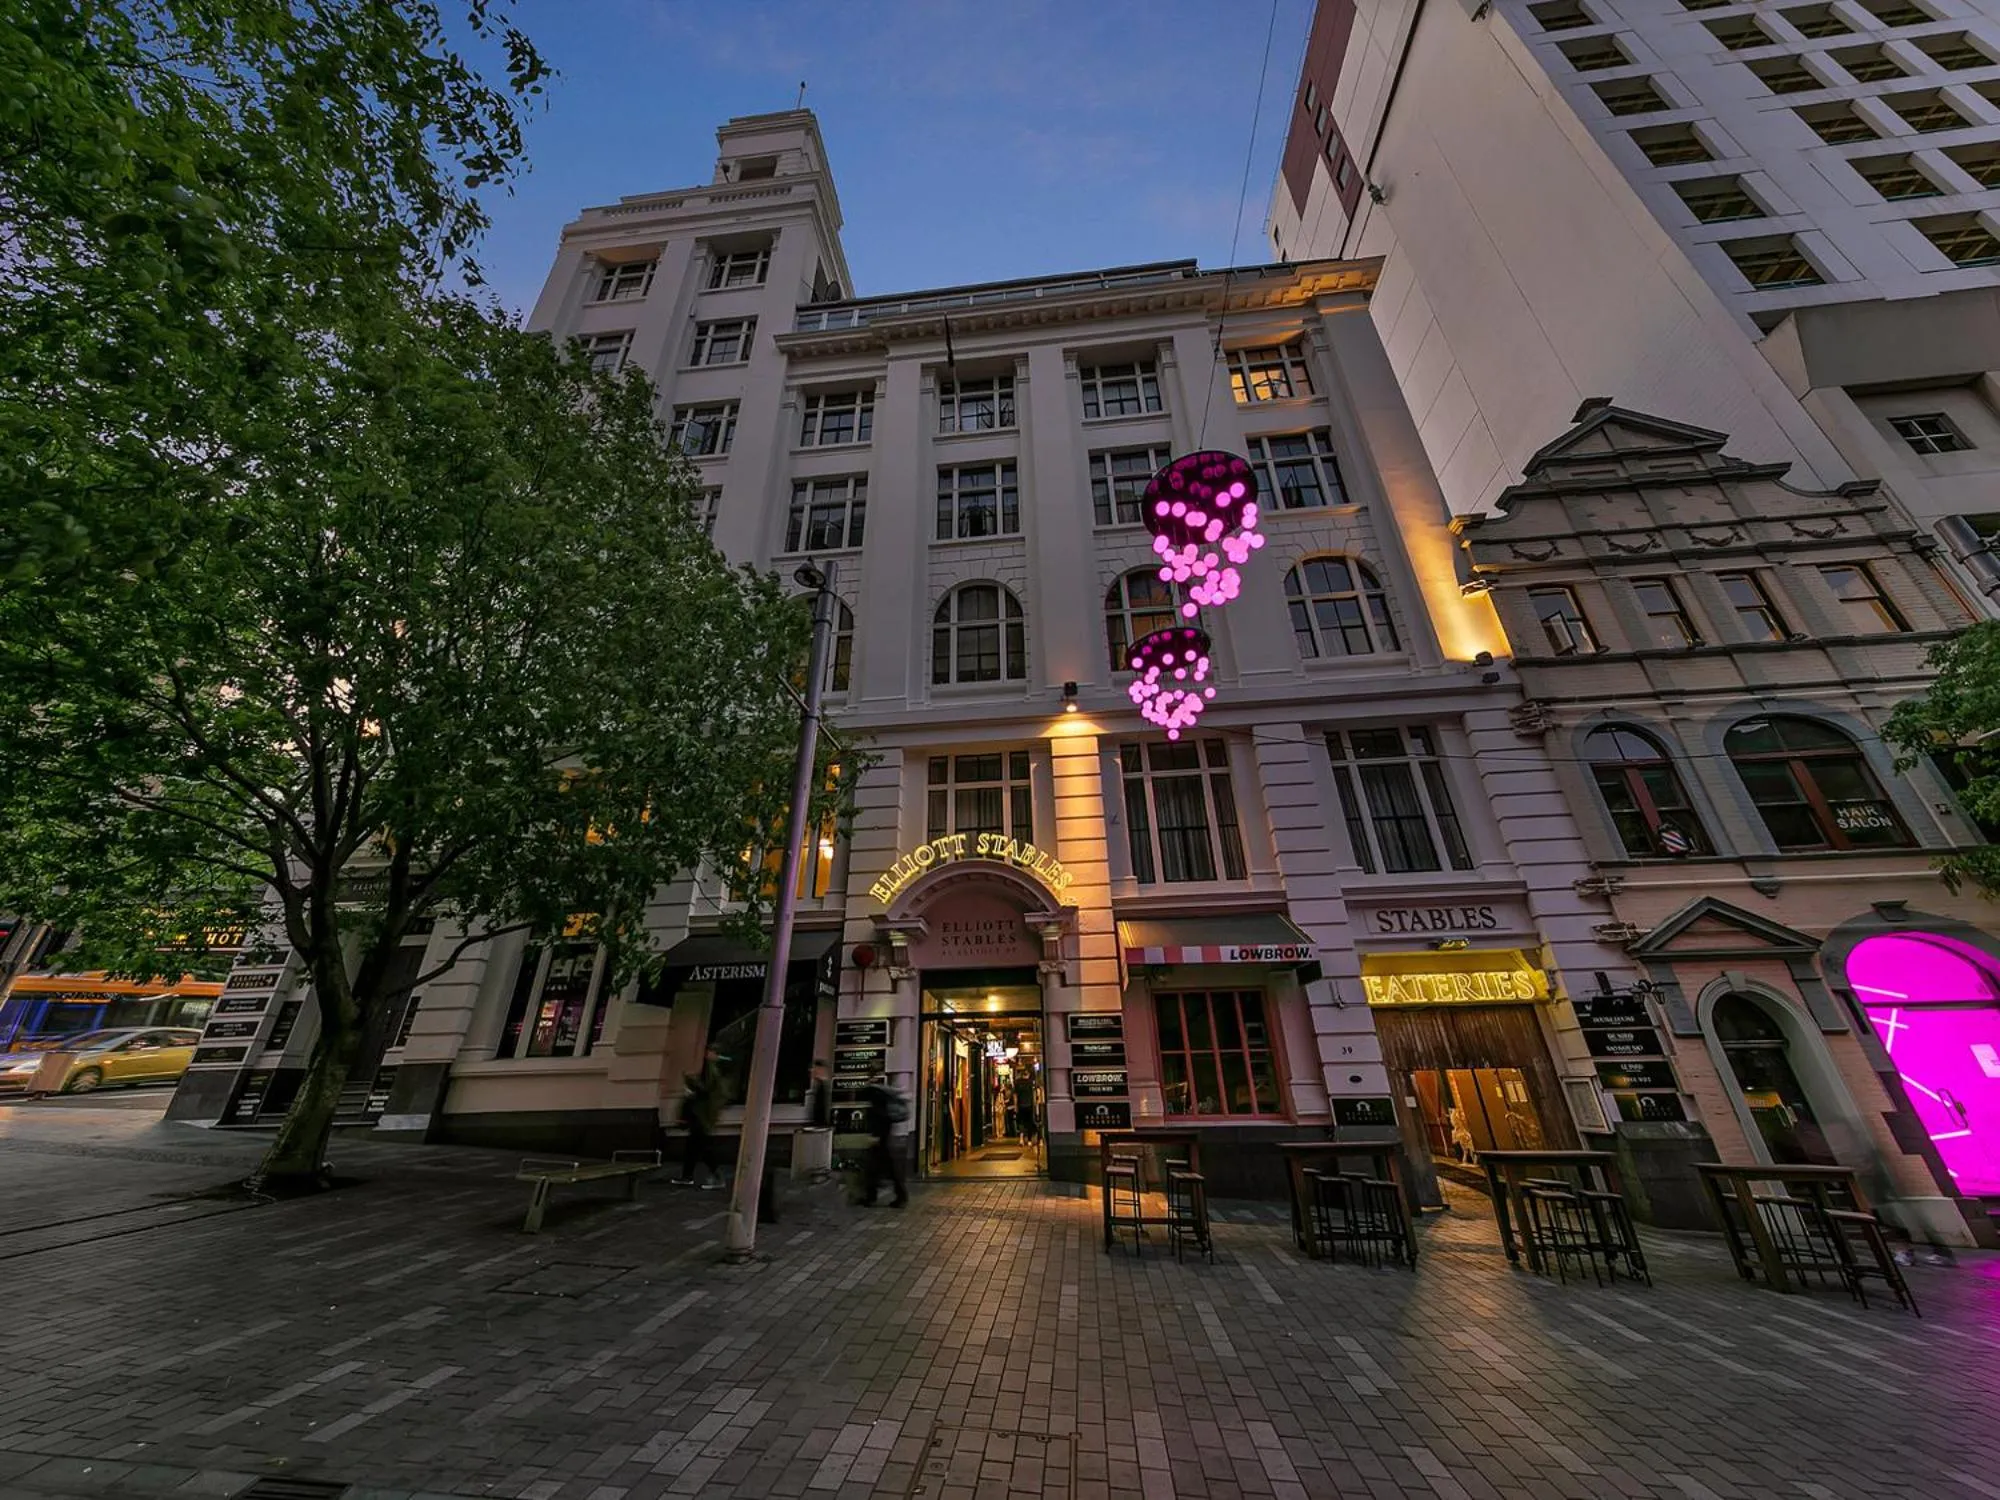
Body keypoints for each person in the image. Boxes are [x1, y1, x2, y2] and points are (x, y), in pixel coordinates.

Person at [677, 1046, 726, 1189]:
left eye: (710, 1052)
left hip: (703, 1117)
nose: (706, 1054)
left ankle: (717, 1177)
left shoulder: (713, 1072)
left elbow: (705, 1090)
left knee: (702, 1148)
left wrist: (689, 1080)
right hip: (700, 1116)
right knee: (692, 1148)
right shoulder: (710, 1071)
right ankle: (687, 1177)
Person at [860, 1075, 908, 1208]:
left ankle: (896, 1196)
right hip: (883, 1140)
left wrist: (876, 1136)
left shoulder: (876, 1098)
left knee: (877, 1169)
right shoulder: (881, 1097)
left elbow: (879, 1119)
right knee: (881, 1170)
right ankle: (876, 1196)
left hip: (880, 1140)